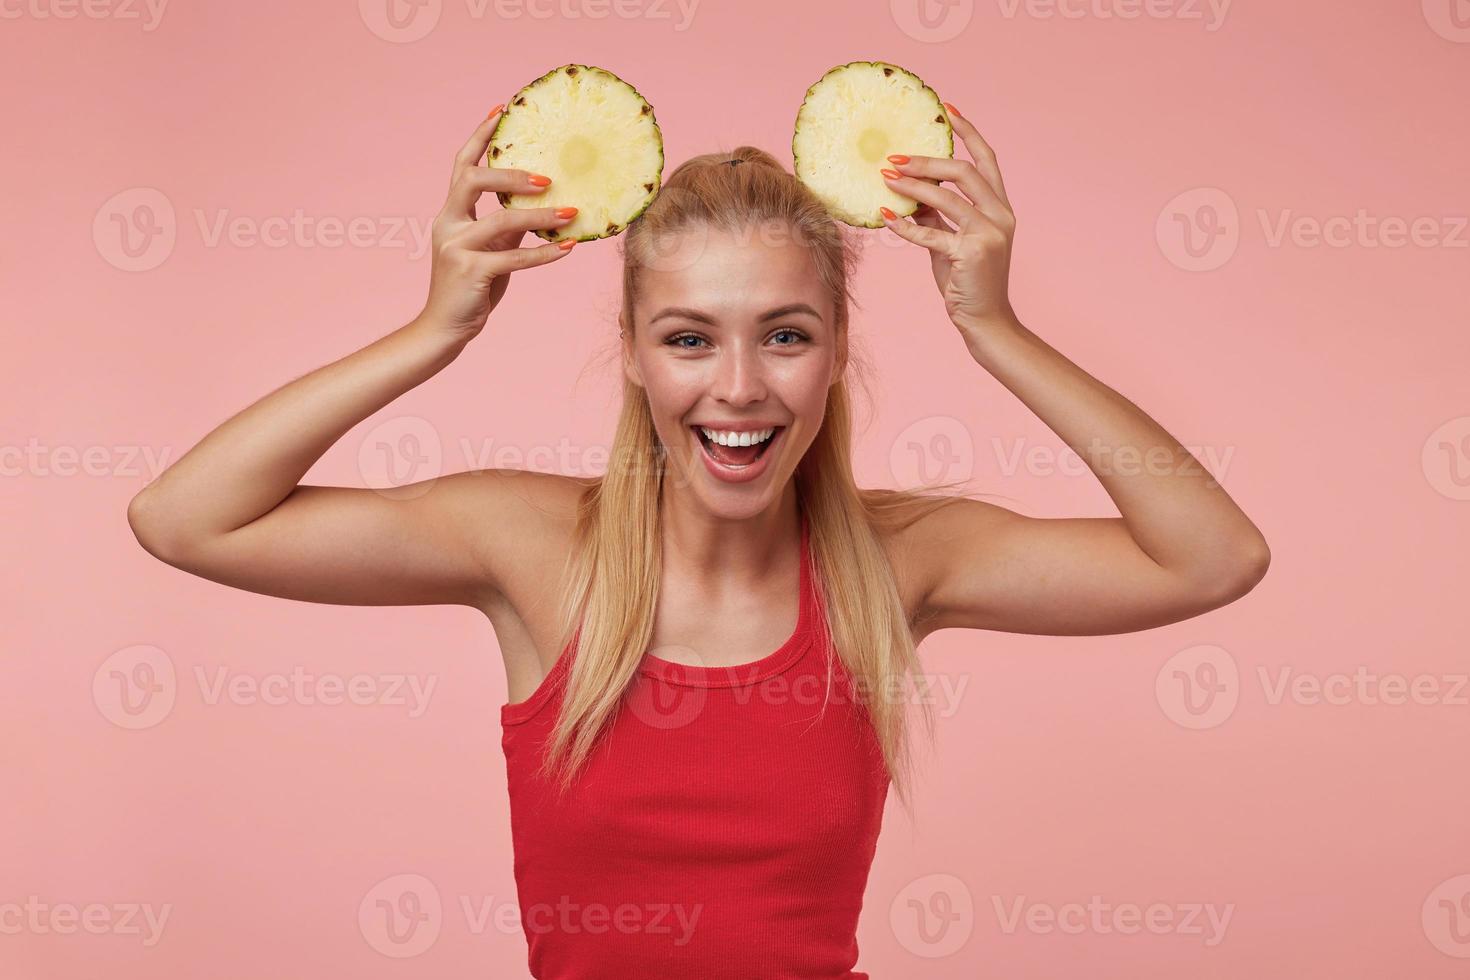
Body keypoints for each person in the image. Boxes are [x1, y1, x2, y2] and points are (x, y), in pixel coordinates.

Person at [126, 101, 1270, 978]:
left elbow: (1212, 556)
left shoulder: (899, 558)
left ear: (835, 350)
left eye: (784, 334)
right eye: (687, 338)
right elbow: (185, 518)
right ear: (630, 349)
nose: (738, 388)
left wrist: (995, 326)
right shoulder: (530, 545)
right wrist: (435, 331)